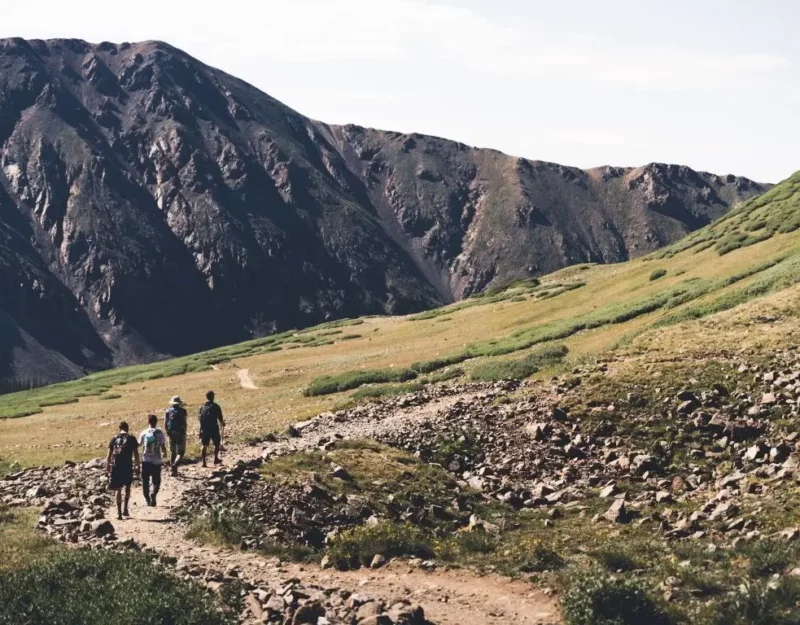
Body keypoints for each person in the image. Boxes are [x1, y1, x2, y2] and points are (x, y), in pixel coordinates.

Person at [105, 421, 139, 520]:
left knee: (118, 489)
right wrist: (137, 466)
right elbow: (136, 454)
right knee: (127, 487)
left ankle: (119, 512)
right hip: (127, 466)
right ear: (127, 428)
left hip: (116, 466)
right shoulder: (131, 438)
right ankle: (125, 509)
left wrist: (107, 468)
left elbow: (109, 456)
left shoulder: (114, 439)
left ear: (119, 429)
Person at [138, 414, 167, 506]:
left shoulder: (144, 432)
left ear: (148, 422)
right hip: (156, 460)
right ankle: (153, 493)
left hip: (145, 460)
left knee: (145, 480)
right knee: (156, 481)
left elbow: (139, 444)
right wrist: (164, 453)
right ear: (156, 422)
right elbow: (163, 446)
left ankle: (147, 499)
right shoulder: (159, 433)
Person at [199, 390, 225, 467]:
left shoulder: (202, 407)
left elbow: (199, 418)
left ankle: (204, 462)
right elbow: (220, 418)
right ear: (213, 397)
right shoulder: (216, 406)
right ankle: (216, 458)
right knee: (216, 444)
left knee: (204, 445)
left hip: (204, 428)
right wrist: (223, 424)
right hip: (213, 428)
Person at [164, 396, 187, 476]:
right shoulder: (183, 411)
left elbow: (165, 423)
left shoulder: (167, 411)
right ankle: (175, 465)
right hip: (180, 432)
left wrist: (167, 431)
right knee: (181, 452)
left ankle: (173, 471)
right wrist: (184, 432)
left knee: (172, 451)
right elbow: (184, 423)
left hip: (171, 433)